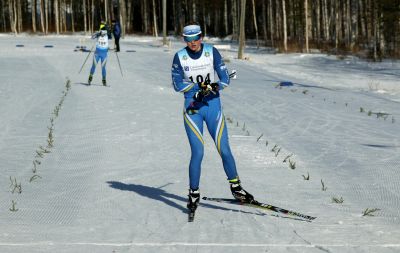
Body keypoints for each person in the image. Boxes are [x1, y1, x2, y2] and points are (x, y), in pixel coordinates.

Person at [171, 23, 254, 213]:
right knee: (198, 153)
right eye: (189, 40)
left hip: (213, 107)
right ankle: (193, 193)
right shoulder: (180, 57)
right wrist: (197, 89)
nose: (193, 43)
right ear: (185, 40)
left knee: (224, 149)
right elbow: (176, 84)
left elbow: (225, 77)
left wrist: (215, 86)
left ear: (202, 37)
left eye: (196, 38)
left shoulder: (211, 51)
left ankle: (236, 188)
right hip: (193, 109)